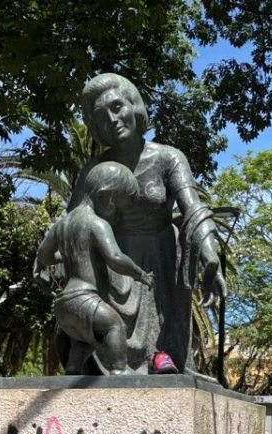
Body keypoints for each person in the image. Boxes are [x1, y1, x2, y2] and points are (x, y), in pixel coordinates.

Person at [67, 72, 227, 374]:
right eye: (101, 116)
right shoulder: (94, 168)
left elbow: (193, 208)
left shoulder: (169, 158)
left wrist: (209, 254)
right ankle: (101, 358)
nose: (112, 119)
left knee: (168, 283)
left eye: (117, 107)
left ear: (133, 106)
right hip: (114, 258)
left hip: (161, 256)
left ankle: (161, 354)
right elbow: (75, 218)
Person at [35, 161, 154, 375]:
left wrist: (59, 259)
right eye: (117, 206)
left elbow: (44, 254)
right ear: (104, 195)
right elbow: (115, 257)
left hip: (63, 306)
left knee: (87, 338)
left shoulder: (61, 225)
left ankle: (73, 367)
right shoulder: (97, 223)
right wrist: (140, 274)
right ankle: (119, 371)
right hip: (85, 298)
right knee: (114, 326)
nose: (117, 215)